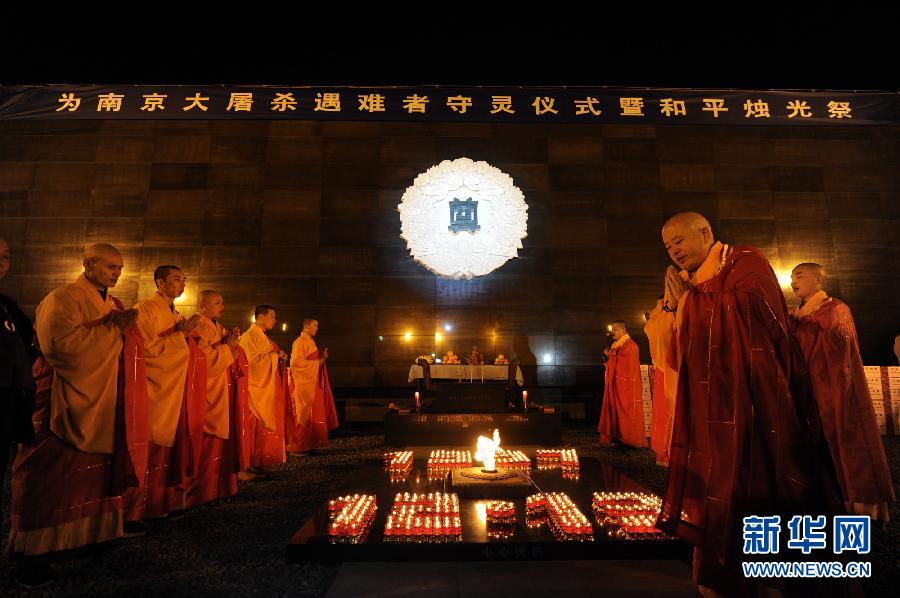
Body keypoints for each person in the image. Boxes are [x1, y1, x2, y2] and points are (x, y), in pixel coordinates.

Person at [648, 212, 836, 595]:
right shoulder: (692, 283)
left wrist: (692, 303)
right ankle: (718, 570)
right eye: (668, 246)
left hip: (757, 401)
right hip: (711, 401)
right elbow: (670, 352)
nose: (674, 251)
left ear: (705, 233)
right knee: (717, 486)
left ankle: (771, 577)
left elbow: (756, 315)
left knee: (760, 482)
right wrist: (675, 309)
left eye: (679, 241)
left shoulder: (746, 263)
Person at [7, 243, 147, 586]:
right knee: (47, 469)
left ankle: (89, 534)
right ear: (88, 265)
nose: (116, 273)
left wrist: (121, 329)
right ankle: (33, 550)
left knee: (94, 471)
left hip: (101, 395)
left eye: (119, 268)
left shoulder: (111, 303)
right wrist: (112, 330)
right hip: (62, 393)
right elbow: (60, 346)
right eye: (110, 266)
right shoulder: (62, 298)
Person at [789, 262, 894, 520]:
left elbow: (841, 345)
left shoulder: (834, 309)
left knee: (847, 444)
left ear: (819, 279)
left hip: (835, 389)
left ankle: (859, 504)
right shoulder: (799, 314)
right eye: (791, 277)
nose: (793, 281)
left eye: (799, 275)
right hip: (808, 392)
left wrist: (810, 326)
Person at [185, 290, 243, 507]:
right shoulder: (198, 325)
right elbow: (201, 360)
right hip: (208, 390)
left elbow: (228, 352)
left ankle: (217, 487)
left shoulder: (217, 326)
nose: (222, 306)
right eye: (217, 302)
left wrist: (232, 344)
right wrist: (228, 346)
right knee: (207, 440)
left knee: (220, 440)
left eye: (222, 302)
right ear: (202, 304)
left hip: (221, 389)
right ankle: (200, 492)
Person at [239, 305, 287, 476]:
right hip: (254, 390)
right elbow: (252, 363)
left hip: (264, 388)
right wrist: (275, 356)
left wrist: (277, 357)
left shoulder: (262, 337)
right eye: (272, 316)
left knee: (260, 429)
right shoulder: (249, 336)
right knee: (251, 427)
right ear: (260, 317)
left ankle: (258, 461)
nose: (275, 320)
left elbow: (264, 358)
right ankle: (245, 465)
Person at [288, 319, 338, 454]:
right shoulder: (299, 342)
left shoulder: (310, 342)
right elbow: (296, 363)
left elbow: (311, 361)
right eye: (315, 325)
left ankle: (310, 444)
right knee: (302, 414)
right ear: (306, 326)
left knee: (313, 414)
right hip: (303, 384)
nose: (317, 328)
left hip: (312, 382)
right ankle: (299, 447)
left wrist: (321, 358)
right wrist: (318, 362)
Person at [597, 320, 645, 448]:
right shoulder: (618, 345)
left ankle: (629, 439)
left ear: (623, 331)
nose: (613, 332)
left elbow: (626, 366)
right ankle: (619, 436)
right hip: (617, 384)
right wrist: (609, 359)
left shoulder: (630, 346)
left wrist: (610, 358)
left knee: (626, 411)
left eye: (615, 329)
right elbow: (615, 360)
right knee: (616, 410)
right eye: (612, 329)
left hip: (627, 386)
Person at [644, 295, 676, 466]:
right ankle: (667, 451)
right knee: (666, 410)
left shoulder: (660, 315)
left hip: (668, 366)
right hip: (667, 366)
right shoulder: (662, 313)